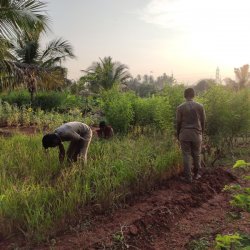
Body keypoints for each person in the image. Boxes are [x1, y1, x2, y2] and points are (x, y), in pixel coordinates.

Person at [176, 88, 206, 183]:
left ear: (185, 96)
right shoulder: (200, 106)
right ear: (193, 95)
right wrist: (202, 132)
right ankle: (197, 174)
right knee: (197, 154)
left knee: (186, 155)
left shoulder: (180, 107)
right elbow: (203, 121)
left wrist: (178, 134)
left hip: (184, 134)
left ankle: (188, 178)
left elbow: (178, 122)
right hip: (197, 134)